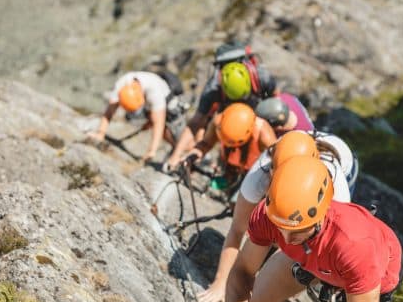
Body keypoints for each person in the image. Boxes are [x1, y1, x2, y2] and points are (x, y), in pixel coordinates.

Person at [214, 155, 403, 302]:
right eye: (281, 229)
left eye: (296, 231)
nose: (285, 238)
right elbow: (243, 270)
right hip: (313, 256)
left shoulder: (354, 244)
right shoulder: (274, 215)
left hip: (374, 262)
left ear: (321, 214)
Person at [198, 130, 357, 302]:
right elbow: (237, 229)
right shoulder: (260, 172)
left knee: (312, 235)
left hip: (344, 162)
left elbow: (335, 238)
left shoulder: (334, 181)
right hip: (292, 152)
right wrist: (221, 283)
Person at [163, 42, 277, 172]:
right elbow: (196, 123)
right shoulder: (215, 86)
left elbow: (275, 104)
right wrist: (176, 156)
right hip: (231, 124)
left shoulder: (261, 77)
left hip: (259, 120)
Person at [86, 71, 182, 162]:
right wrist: (100, 133)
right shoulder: (121, 86)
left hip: (168, 102)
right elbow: (109, 112)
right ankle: (176, 149)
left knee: (170, 133)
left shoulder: (154, 92)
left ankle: (180, 151)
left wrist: (151, 151)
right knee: (154, 123)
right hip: (148, 101)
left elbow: (159, 124)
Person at [185, 103, 276, 195]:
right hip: (230, 166)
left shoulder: (264, 135)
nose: (230, 146)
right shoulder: (219, 122)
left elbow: (277, 165)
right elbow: (205, 144)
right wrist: (191, 156)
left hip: (254, 172)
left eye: (234, 144)